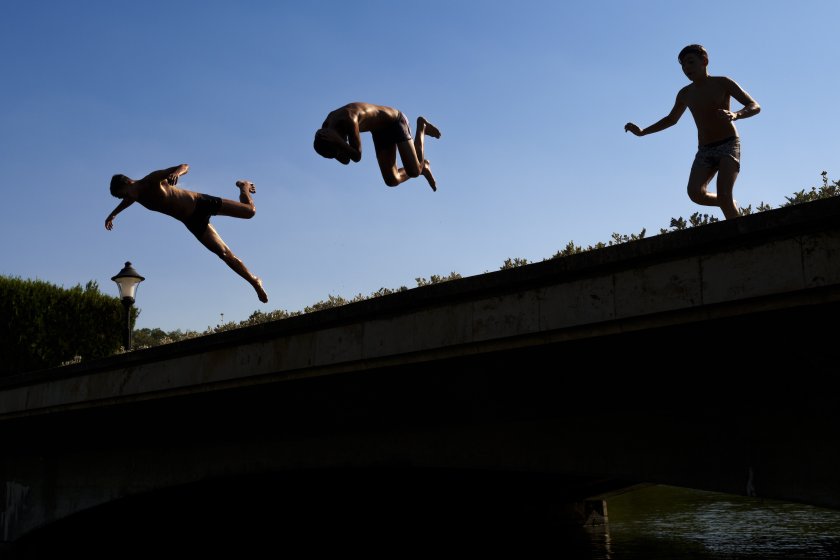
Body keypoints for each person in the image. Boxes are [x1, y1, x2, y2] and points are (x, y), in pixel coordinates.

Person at [624, 44, 761, 219]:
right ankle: (729, 204)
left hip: (728, 144)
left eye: (690, 62)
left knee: (725, 194)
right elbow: (671, 119)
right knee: (695, 193)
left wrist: (736, 114)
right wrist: (643, 131)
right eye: (683, 66)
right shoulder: (685, 93)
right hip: (705, 149)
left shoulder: (722, 82)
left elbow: (754, 105)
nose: (686, 68)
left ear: (704, 61)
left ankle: (742, 237)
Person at [105, 164, 268, 303]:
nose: (125, 198)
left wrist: (176, 173)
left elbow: (184, 166)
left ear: (129, 182)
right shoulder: (135, 195)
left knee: (250, 212)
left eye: (124, 193)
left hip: (200, 203)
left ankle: (243, 186)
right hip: (192, 221)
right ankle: (254, 281)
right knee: (224, 254)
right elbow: (128, 200)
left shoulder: (151, 180)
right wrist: (113, 214)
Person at [313, 102, 441, 191]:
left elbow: (357, 156)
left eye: (340, 143)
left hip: (395, 121)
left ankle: (422, 129)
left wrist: (338, 142)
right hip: (379, 131)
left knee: (414, 171)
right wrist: (338, 146)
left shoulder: (349, 118)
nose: (343, 142)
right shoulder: (327, 127)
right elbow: (346, 160)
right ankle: (422, 167)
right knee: (391, 180)